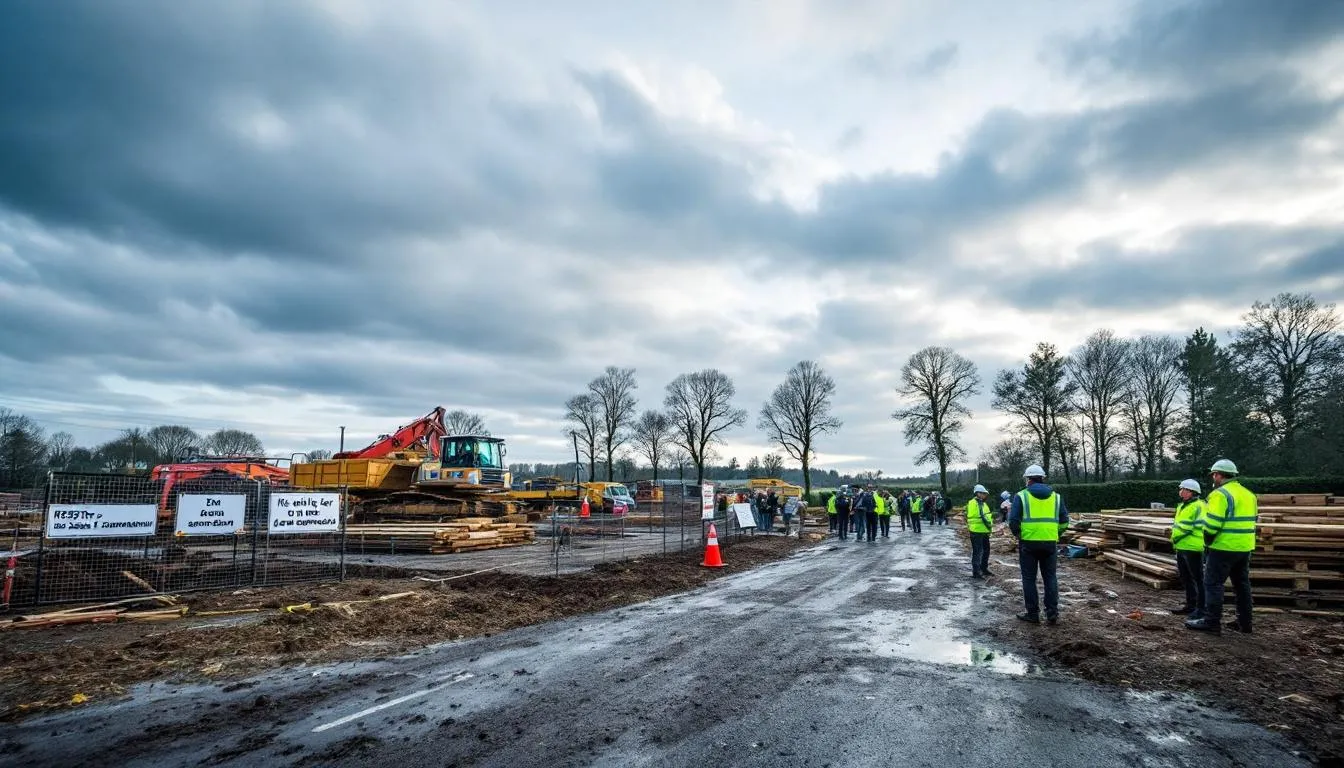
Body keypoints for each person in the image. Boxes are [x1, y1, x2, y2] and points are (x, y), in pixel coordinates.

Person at [1187, 459, 1258, 635]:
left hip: (1223, 547)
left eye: (1214, 475)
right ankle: (1245, 623)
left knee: (1213, 584)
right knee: (1242, 585)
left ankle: (1211, 622)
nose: (1213, 478)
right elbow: (1254, 519)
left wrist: (1207, 542)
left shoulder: (1220, 494)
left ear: (1218, 475)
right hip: (1244, 547)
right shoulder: (1249, 494)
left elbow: (1212, 524)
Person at [1009, 464, 1069, 625]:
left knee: (1029, 579)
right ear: (1043, 478)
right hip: (1049, 543)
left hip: (1028, 543)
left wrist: (1019, 535)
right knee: (1050, 577)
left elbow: (1013, 521)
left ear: (1028, 479)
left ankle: (1033, 614)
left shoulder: (1021, 496)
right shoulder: (1056, 497)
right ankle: (1052, 613)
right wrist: (1056, 534)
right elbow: (1065, 521)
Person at [1170, 479, 1206, 620]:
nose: (1181, 492)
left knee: (1198, 579)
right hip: (1182, 546)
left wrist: (1175, 537)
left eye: (1184, 489)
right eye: (1181, 489)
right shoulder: (1182, 506)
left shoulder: (1199, 506)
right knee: (1186, 578)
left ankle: (1201, 608)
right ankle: (1190, 605)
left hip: (1193, 547)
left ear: (1192, 492)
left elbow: (1187, 527)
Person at [966, 484, 994, 578]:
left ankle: (983, 568)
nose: (985, 495)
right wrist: (989, 527)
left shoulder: (982, 503)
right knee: (978, 552)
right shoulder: (975, 503)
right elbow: (982, 517)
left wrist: (989, 528)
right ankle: (976, 572)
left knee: (986, 550)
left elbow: (987, 516)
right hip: (977, 531)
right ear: (978, 493)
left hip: (983, 530)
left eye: (985, 493)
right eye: (983, 493)